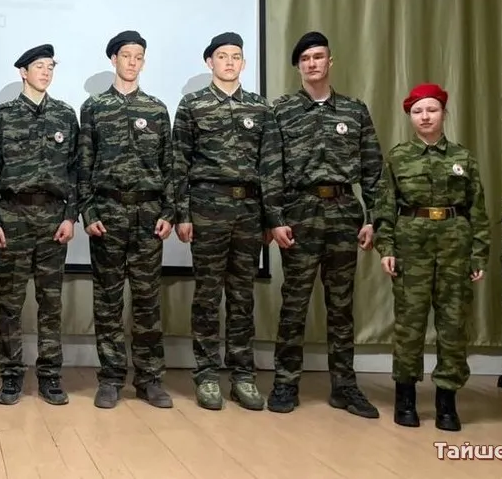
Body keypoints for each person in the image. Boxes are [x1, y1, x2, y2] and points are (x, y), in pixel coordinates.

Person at [266, 31, 384, 418]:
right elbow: (271, 169)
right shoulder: (282, 111)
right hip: (300, 213)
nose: (312, 63)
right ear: (298, 67)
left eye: (318, 56)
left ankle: (344, 387)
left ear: (330, 61)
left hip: (343, 214)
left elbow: (373, 169)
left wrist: (374, 219)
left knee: (342, 305)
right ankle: (285, 383)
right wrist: (275, 219)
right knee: (294, 304)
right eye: (305, 59)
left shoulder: (353, 110)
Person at [172, 32, 284, 411]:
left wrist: (272, 217)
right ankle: (206, 375)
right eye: (222, 56)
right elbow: (179, 163)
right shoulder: (193, 105)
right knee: (207, 295)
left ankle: (243, 376)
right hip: (208, 208)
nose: (230, 62)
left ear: (244, 63)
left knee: (242, 296)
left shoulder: (260, 107)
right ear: (210, 62)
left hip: (249, 211)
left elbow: (270, 166)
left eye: (236, 56)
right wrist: (182, 213)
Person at [372, 83, 489, 432]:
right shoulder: (398, 157)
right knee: (409, 324)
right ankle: (405, 399)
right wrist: (386, 248)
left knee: (453, 325)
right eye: (418, 111)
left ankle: (446, 404)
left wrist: (478, 254)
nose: (425, 117)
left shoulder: (463, 158)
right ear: (410, 116)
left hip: (455, 246)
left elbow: (477, 209)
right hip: (412, 246)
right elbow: (384, 207)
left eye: (432, 110)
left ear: (443, 113)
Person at [79, 30, 176, 410]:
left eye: (138, 57)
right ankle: (111, 378)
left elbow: (169, 165)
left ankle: (150, 379)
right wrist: (88, 211)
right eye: (126, 56)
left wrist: (169, 212)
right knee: (107, 300)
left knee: (148, 301)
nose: (132, 62)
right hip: (108, 213)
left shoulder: (156, 109)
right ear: (113, 60)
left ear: (143, 62)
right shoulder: (94, 107)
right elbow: (83, 165)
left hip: (148, 216)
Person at [0, 44, 78, 405]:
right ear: (23, 72)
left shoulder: (65, 115)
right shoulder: (4, 115)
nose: (46, 72)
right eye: (39, 66)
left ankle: (50, 377)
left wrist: (71, 216)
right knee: (11, 303)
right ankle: (11, 376)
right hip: (14, 216)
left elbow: (75, 170)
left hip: (53, 217)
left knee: (51, 303)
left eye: (50, 67)